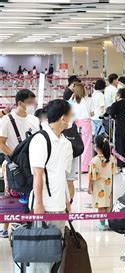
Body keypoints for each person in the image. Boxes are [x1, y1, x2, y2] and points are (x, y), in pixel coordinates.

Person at [30, 99, 73, 272]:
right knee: (42, 256)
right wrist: (39, 204)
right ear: (63, 117)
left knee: (57, 253)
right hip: (45, 206)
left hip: (59, 205)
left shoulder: (65, 143)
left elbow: (61, 175)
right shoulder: (41, 140)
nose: (71, 118)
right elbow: (38, 174)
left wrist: (66, 200)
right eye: (70, 115)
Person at [0, 89, 40, 238]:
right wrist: (15, 157)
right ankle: (7, 228)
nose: (33, 105)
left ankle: (30, 225)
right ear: (20, 103)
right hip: (14, 166)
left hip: (33, 165)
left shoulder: (34, 120)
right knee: (13, 198)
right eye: (30, 103)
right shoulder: (6, 120)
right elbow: (1, 143)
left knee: (32, 195)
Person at [88, 135, 117, 230]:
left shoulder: (94, 160)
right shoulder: (111, 158)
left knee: (100, 205)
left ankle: (102, 224)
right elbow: (114, 171)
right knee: (107, 204)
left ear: (96, 146)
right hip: (108, 186)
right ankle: (109, 222)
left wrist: (90, 187)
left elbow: (91, 176)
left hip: (98, 186)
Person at [69, 82, 94, 173]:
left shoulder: (72, 100)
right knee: (86, 146)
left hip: (75, 124)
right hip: (86, 124)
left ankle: (75, 167)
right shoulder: (89, 100)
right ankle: (84, 167)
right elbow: (92, 113)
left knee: (75, 145)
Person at [109, 89, 125, 169]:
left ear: (118, 95)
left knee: (120, 146)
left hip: (119, 127)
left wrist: (116, 118)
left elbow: (111, 114)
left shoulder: (115, 104)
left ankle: (121, 165)